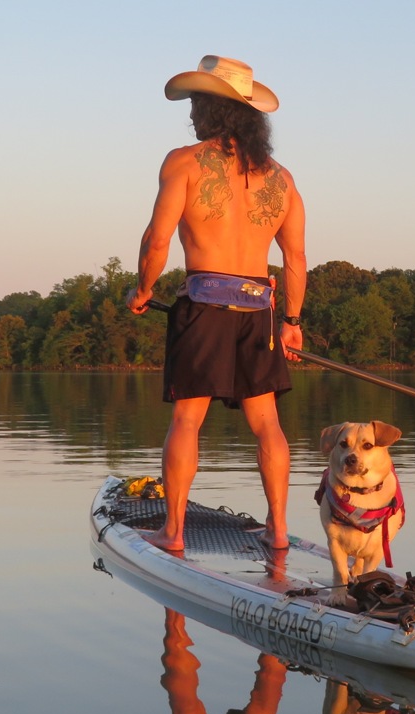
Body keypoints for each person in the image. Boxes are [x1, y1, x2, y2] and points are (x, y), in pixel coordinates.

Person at [126, 55, 306, 551]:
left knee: (187, 420)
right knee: (267, 423)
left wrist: (142, 291)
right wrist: (291, 321)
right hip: (259, 311)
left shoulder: (183, 162)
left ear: (211, 109)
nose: (191, 114)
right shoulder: (282, 179)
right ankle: (280, 530)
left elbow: (156, 242)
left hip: (203, 307)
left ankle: (174, 532)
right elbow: (296, 258)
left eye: (196, 104)